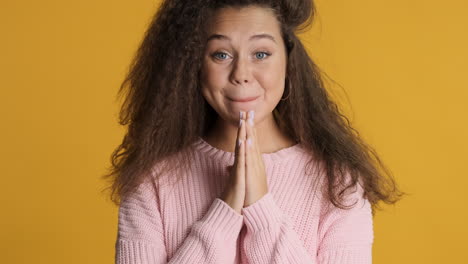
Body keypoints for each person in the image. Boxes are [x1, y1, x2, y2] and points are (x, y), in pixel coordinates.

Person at [102, 0, 406, 263]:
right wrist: (224, 211)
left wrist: (261, 208)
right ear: (194, 64)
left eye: (261, 54)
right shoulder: (150, 181)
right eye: (221, 54)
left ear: (289, 61)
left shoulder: (339, 183)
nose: (242, 75)